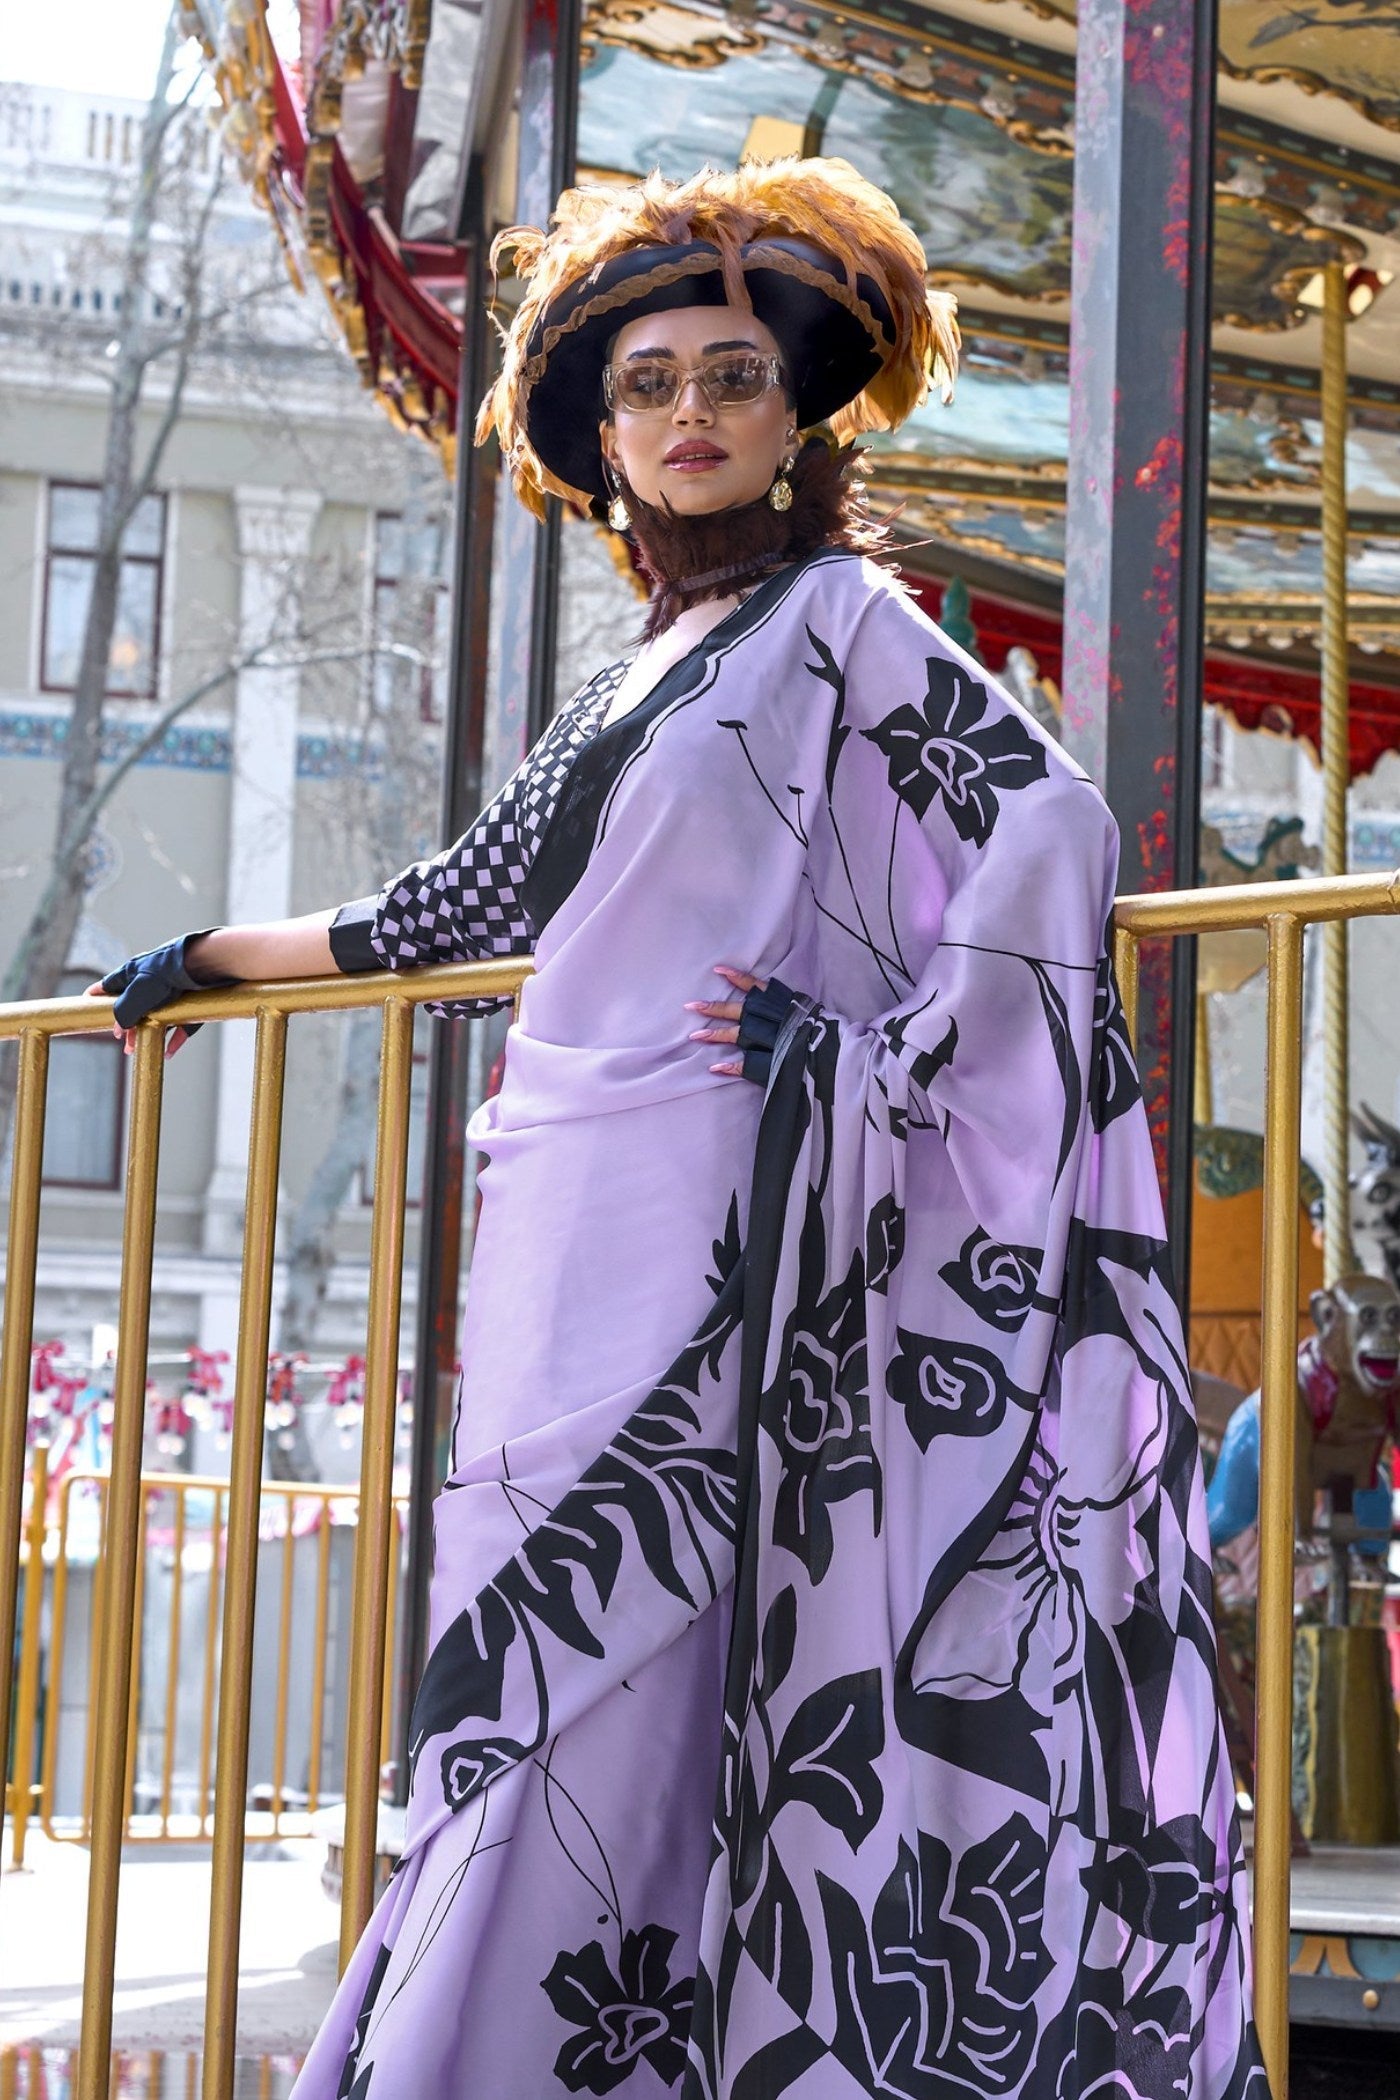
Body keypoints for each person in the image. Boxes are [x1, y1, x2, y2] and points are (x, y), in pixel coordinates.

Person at [100, 160, 1267, 2097]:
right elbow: (480, 907)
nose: (691, 412)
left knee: (642, 1656)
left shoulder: (843, 626)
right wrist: (221, 953)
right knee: (537, 1664)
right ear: (607, 439)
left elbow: (1046, 832)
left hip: (734, 1202)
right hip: (570, 1207)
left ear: (798, 415)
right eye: (648, 385)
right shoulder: (641, 667)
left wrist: (864, 1052)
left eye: (731, 374)